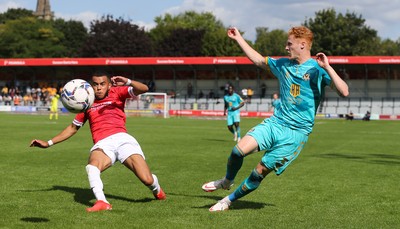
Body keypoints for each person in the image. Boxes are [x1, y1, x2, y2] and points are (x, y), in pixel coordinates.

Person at [202, 26, 349, 211]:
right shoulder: (283, 64)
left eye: (289, 44)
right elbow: (257, 60)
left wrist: (327, 66)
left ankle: (227, 201)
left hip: (296, 134)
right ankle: (227, 181)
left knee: (258, 173)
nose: (286, 48)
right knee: (237, 151)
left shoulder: (317, 70)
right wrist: (238, 37)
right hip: (276, 123)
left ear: (302, 45)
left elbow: (344, 91)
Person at [30, 72, 166, 212]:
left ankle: (157, 189)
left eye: (102, 84)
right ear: (91, 86)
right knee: (92, 167)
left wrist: (127, 81)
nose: (99, 88)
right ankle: (102, 201)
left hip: (123, 139)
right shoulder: (86, 103)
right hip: (103, 144)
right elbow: (72, 128)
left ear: (108, 85)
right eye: (95, 84)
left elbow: (144, 89)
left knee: (147, 179)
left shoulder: (117, 92)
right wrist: (48, 143)